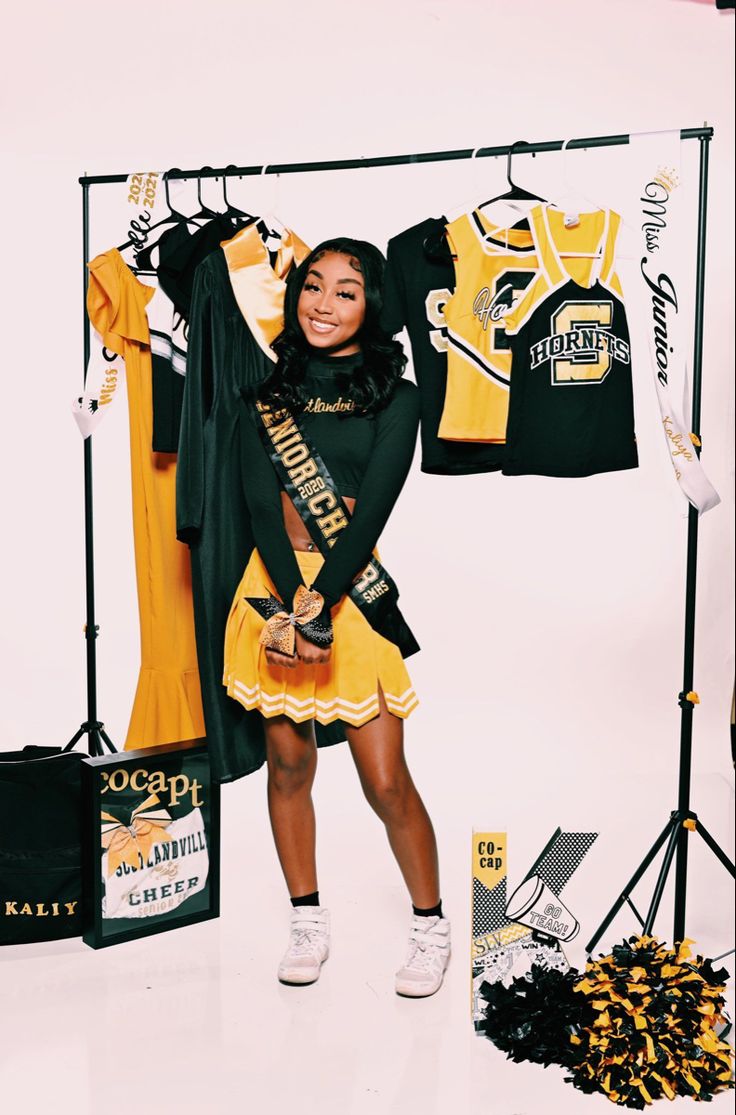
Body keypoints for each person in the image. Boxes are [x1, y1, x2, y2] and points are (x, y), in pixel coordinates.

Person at [223, 237, 450, 997]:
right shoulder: (266, 391)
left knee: (385, 780)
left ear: (372, 303)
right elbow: (260, 506)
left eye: (345, 291)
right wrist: (289, 608)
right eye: (312, 286)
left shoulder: (400, 394)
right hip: (274, 589)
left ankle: (432, 924)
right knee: (289, 764)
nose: (322, 303)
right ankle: (306, 919)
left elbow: (373, 507)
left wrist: (321, 604)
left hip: (349, 594)